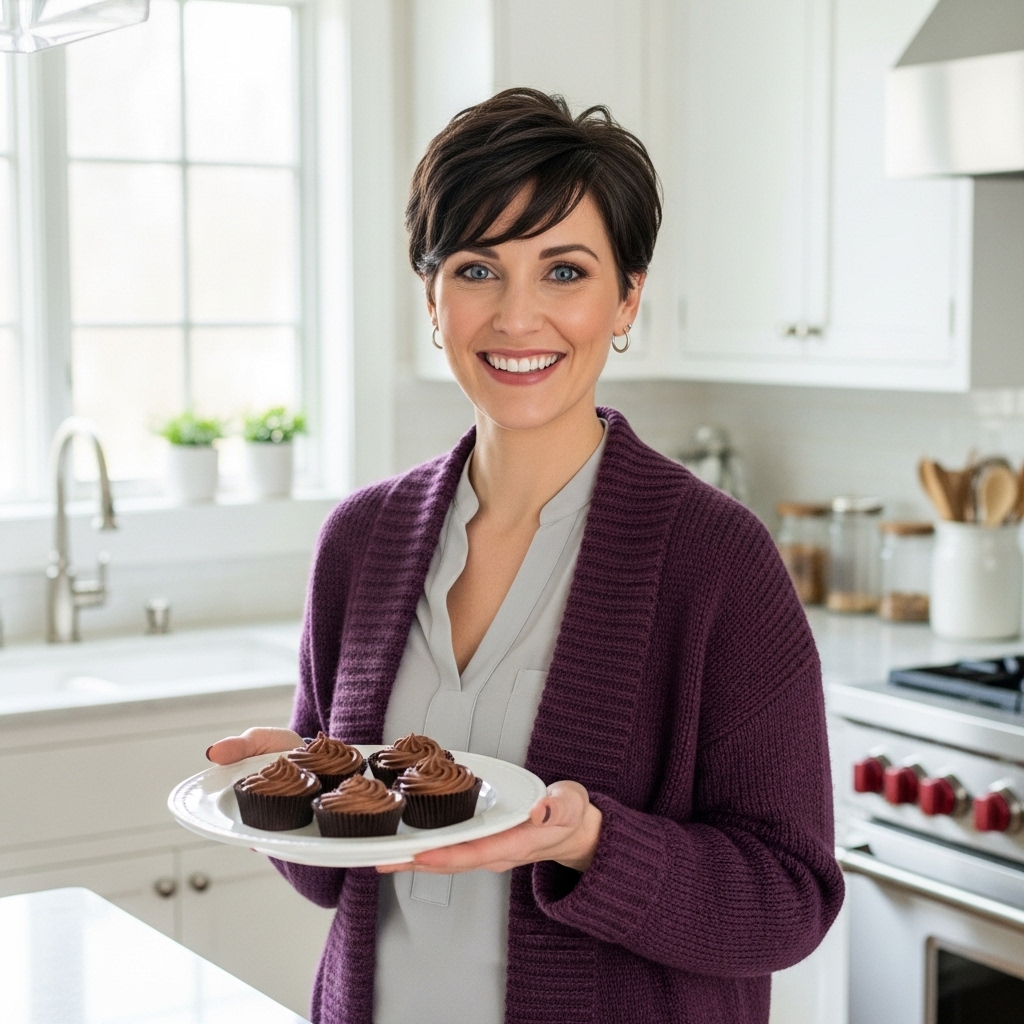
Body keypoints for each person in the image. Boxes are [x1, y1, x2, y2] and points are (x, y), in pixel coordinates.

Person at [208, 88, 844, 1024]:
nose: (515, 317)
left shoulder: (717, 562)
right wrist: (294, 791)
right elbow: (331, 879)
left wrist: (591, 843)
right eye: (476, 269)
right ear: (432, 298)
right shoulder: (361, 542)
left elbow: (789, 902)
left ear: (626, 297)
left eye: (564, 271)